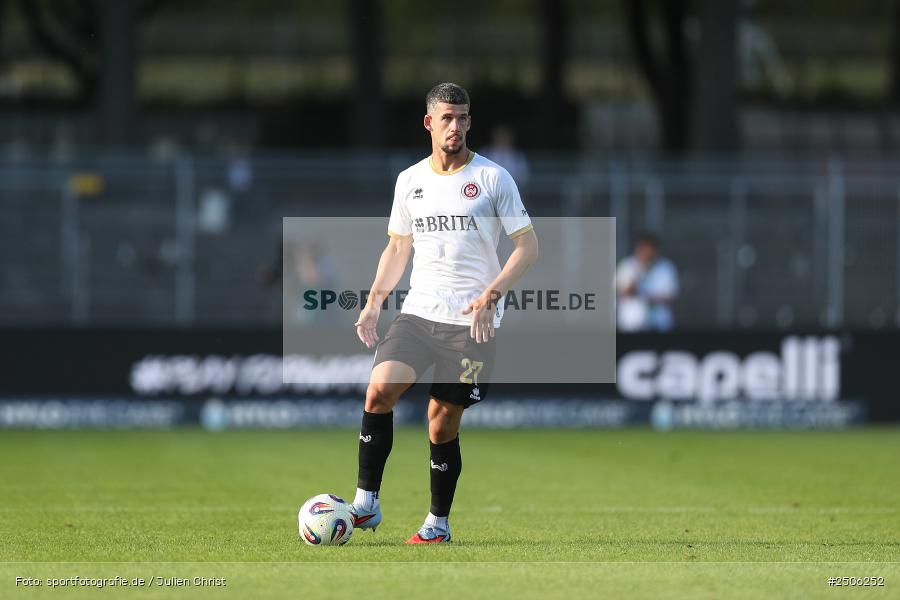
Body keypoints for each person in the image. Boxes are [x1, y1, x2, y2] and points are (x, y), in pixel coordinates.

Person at [350, 83, 539, 544]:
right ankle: (366, 502)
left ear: (470, 122)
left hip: (473, 323)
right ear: (429, 123)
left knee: (440, 418)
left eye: (462, 118)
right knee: (379, 392)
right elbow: (398, 245)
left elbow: (528, 246)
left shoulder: (494, 178)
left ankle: (437, 523)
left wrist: (491, 296)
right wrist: (374, 302)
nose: (455, 126)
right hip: (419, 314)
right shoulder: (410, 180)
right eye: (446, 118)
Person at [615, 232, 679, 332]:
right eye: (644, 248)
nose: (648, 253)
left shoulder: (666, 267)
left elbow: (671, 296)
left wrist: (648, 297)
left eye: (651, 249)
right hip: (632, 324)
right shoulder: (627, 266)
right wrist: (638, 272)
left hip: (660, 325)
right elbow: (623, 293)